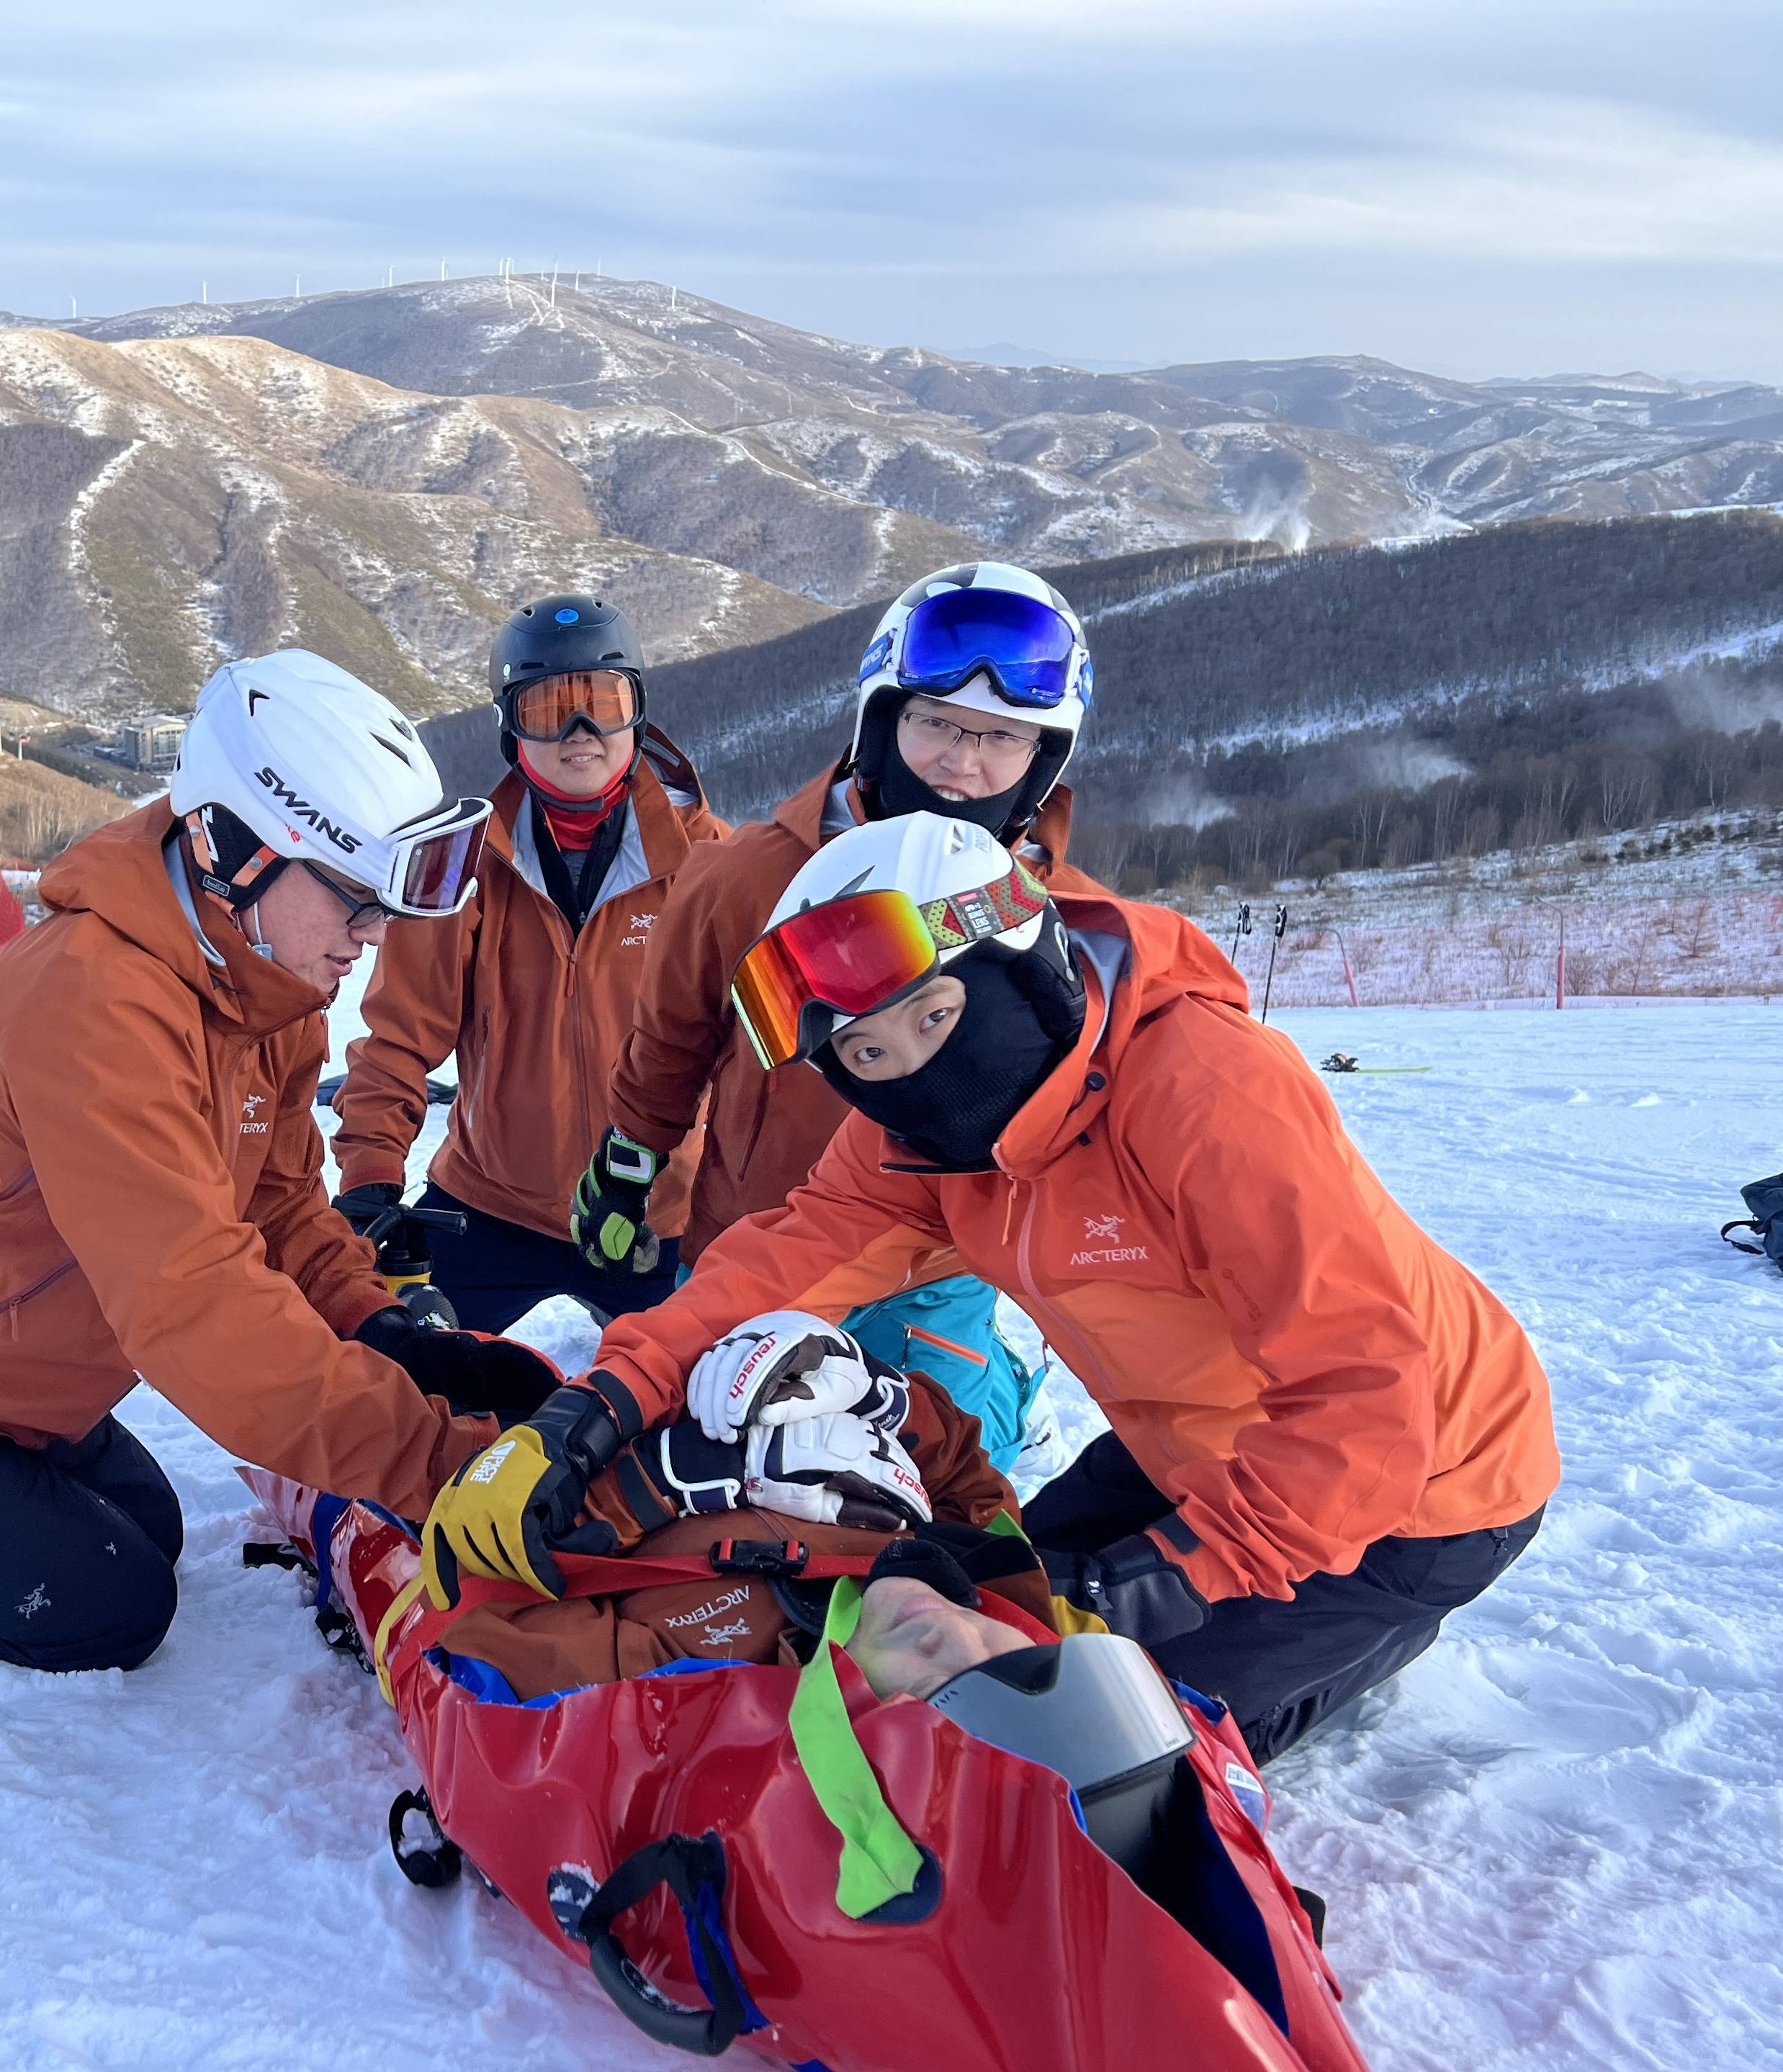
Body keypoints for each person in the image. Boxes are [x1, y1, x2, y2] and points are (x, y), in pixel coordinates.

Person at [424, 813, 1558, 1762]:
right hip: (1191, 1449)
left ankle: (1376, 1635)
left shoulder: (1206, 1095)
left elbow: (1365, 1394)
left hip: (1420, 1490)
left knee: (1086, 1732)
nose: (910, 1071)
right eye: (865, 1055)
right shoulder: (919, 1144)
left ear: (1019, 967)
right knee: (969, 1616)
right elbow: (780, 1265)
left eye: (935, 1018)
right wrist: (602, 1403)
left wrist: (1157, 1585)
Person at [0, 649, 559, 1674]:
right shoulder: (93, 1006)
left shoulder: (264, 990)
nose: (372, 936)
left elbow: (278, 1212)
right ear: (238, 849)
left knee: (149, 1525)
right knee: (110, 1606)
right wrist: (442, 1467)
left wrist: (389, 1335)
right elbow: (197, 1305)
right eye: (354, 898)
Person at [576, 563, 1102, 1469]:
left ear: (1042, 760)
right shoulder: (746, 878)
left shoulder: (1056, 918)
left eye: (1003, 738)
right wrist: (633, 1158)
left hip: (935, 1269)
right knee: (704, 1466)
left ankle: (1010, 1386)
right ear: (882, 721)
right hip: (757, 1231)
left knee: (954, 1471)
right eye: (934, 722)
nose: (960, 762)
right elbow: (674, 1038)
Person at [329, 594, 724, 1333]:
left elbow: (764, 1054)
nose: (581, 733)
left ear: (636, 715)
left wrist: (746, 1197)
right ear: (511, 728)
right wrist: (372, 1176)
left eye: (602, 704)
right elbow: (397, 1042)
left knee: (700, 1413)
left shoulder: (709, 864)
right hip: (492, 1204)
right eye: (550, 709)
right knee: (384, 1369)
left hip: (655, 1211)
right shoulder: (469, 868)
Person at [423, 1310, 1055, 1701]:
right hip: (647, 1401)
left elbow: (480, 1602)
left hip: (498, 1481)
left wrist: (647, 1486)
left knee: (432, 1396)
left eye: (938, 1695)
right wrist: (879, 1397)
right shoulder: (982, 1572)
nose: (956, 1639)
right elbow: (966, 1465)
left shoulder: (702, 1674)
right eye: (1009, 1659)